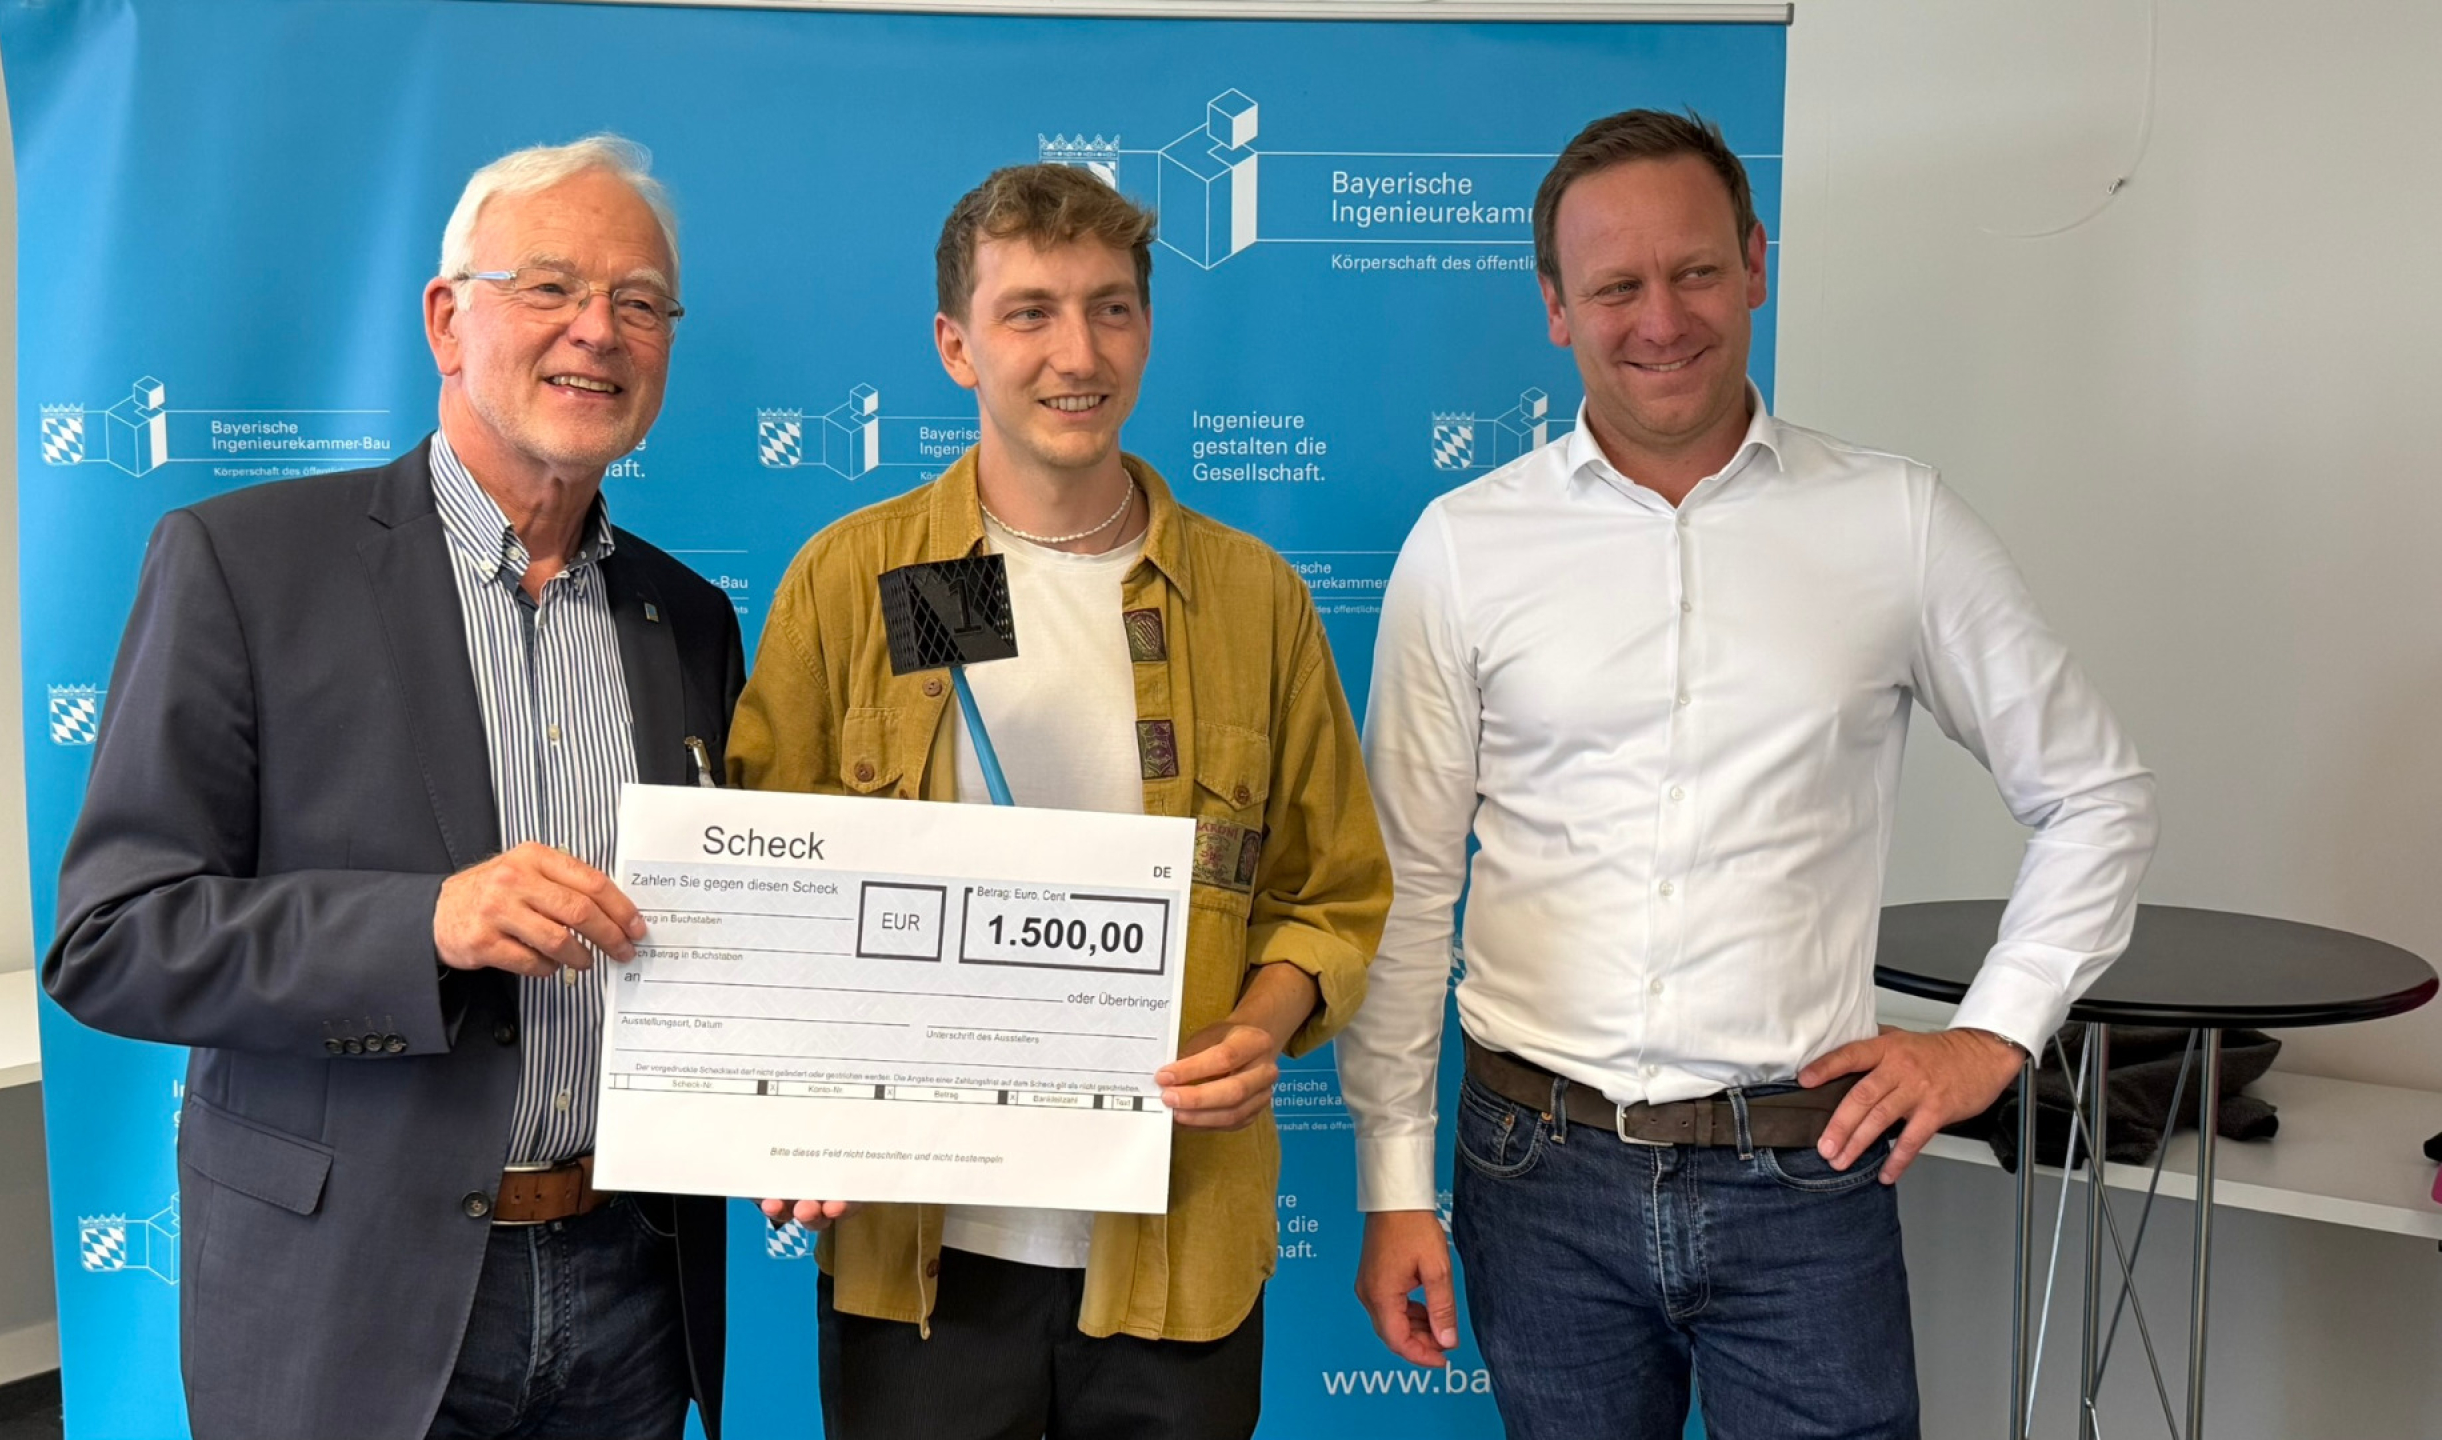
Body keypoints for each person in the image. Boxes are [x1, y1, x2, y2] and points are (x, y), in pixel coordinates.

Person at [1338, 109, 2159, 1438]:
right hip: (1536, 1177)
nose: (1662, 319)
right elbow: (1407, 886)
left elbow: (2097, 796)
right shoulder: (1465, 548)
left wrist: (1990, 1037)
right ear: (1556, 308)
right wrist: (1391, 1186)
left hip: (1804, 1174)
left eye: (1696, 271)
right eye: (1616, 285)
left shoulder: (1895, 523)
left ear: (1756, 265)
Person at [44, 136, 736, 1440]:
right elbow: (113, 939)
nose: (598, 330)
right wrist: (422, 925)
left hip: (631, 1293)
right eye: (549, 286)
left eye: (641, 303)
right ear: (446, 319)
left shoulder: (687, 618)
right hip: (348, 1298)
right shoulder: (245, 568)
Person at [725, 162, 1391, 1440]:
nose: (1076, 353)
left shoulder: (1254, 601)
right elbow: (765, 889)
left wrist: (1260, 1027)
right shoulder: (859, 581)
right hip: (920, 1257)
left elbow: (1334, 894)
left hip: (1175, 1251)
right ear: (956, 345)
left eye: (1110, 309)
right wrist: (787, 1107)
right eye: (1029, 312)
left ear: (1146, 328)